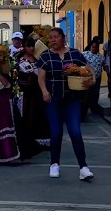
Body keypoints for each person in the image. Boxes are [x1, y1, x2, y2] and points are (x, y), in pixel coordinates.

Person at [37, 28, 95, 181]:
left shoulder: (74, 53)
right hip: (53, 100)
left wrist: (93, 79)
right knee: (56, 133)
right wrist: (44, 91)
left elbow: (88, 67)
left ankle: (83, 167)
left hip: (72, 99)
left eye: (56, 37)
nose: (53, 40)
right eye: (51, 37)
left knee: (75, 132)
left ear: (63, 38)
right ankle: (54, 164)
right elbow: (41, 77)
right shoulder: (46, 55)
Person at [14, 39, 50, 161]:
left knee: (38, 114)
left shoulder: (39, 59)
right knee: (25, 115)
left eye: (32, 46)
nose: (31, 48)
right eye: (28, 46)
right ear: (24, 47)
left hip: (36, 91)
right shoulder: (18, 59)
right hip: (24, 92)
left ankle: (38, 140)